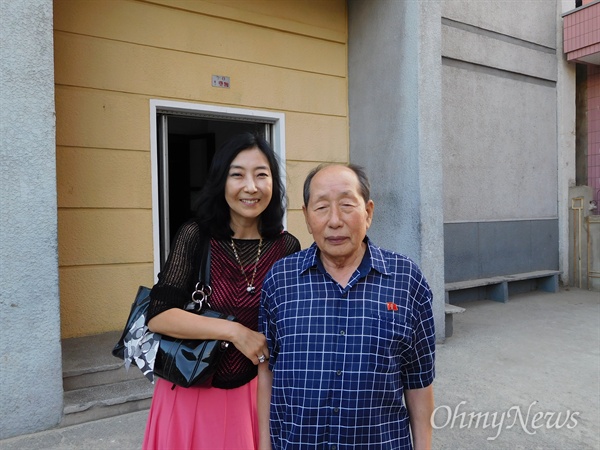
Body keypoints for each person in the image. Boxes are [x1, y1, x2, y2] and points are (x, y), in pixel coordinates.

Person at [258, 163, 435, 450]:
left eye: (347, 205)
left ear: (368, 212)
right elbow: (267, 371)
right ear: (306, 215)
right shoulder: (280, 280)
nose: (335, 220)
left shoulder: (406, 279)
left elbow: (419, 381)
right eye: (322, 207)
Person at [142, 132, 300, 449]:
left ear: (273, 183)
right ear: (220, 182)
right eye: (237, 175)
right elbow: (157, 315)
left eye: (261, 175)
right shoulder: (196, 235)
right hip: (193, 391)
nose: (251, 187)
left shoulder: (286, 246)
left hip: (256, 394)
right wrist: (235, 331)